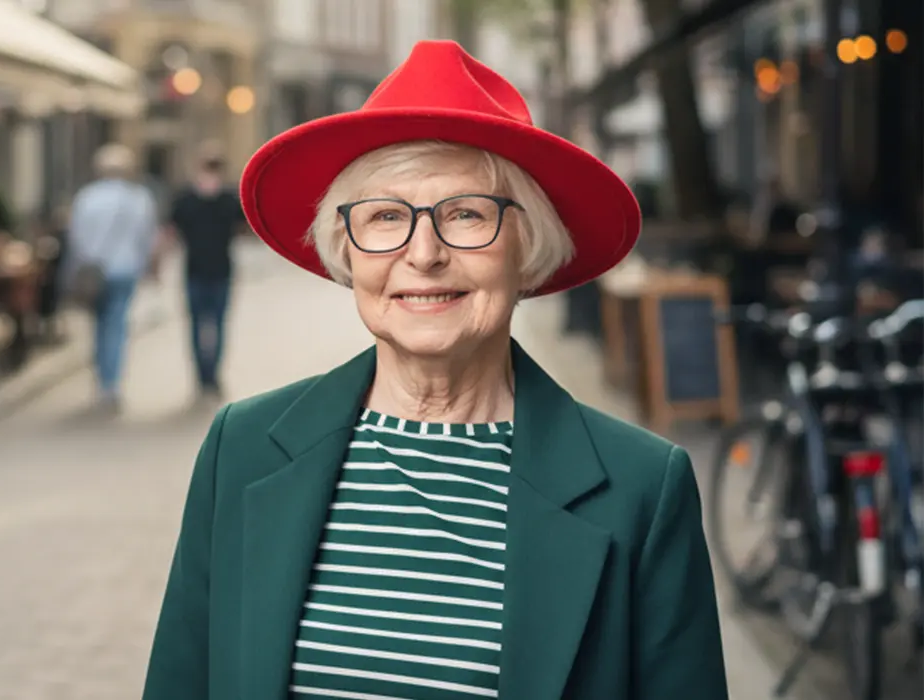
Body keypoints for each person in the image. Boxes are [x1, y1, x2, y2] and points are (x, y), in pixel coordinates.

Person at [143, 40, 729, 700]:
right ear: (347, 252)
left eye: (466, 215)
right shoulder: (242, 449)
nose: (424, 254)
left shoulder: (643, 490)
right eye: (387, 217)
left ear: (528, 249)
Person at [67, 143, 158, 412]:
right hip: (126, 268)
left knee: (98, 325)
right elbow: (147, 238)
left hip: (95, 271)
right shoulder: (140, 198)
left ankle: (101, 379)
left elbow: (77, 237)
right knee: (117, 325)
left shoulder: (87, 197)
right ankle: (111, 384)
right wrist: (148, 266)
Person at [167, 144, 246, 398]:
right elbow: (242, 227)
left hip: (195, 269)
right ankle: (212, 376)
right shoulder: (228, 198)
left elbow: (173, 230)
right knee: (218, 324)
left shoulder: (186, 198)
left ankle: (202, 376)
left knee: (197, 324)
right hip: (221, 268)